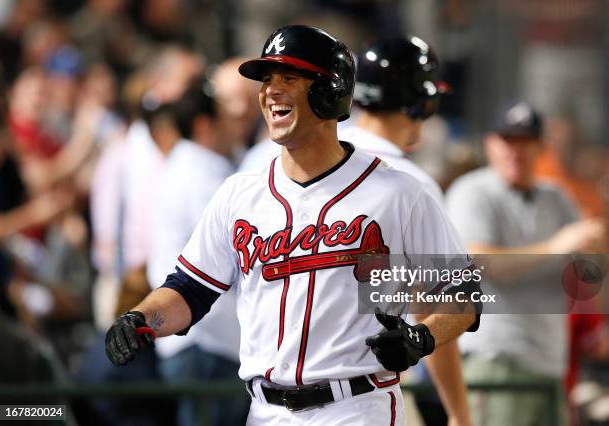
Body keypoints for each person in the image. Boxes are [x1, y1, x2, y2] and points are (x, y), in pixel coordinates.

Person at [105, 25, 478, 425]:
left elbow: (466, 295)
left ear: (329, 91)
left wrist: (422, 338)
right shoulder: (240, 193)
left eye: (289, 78)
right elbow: (189, 289)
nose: (270, 91)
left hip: (355, 407)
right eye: (266, 80)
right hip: (265, 412)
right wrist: (141, 319)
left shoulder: (399, 192)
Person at [446, 102, 605, 426]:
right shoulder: (474, 191)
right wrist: (557, 246)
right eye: (507, 141)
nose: (515, 152)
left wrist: (595, 245)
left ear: (541, 148)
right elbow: (477, 260)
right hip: (497, 358)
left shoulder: (556, 196)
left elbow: (586, 267)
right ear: (491, 144)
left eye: (525, 142)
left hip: (550, 362)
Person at [340, 36, 472, 426]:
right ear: (423, 102)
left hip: (273, 391)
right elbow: (436, 305)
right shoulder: (407, 183)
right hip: (367, 393)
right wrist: (458, 412)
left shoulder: (290, 159)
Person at [145, 76, 245, 426]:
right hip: (205, 340)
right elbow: (232, 257)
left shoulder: (192, 166)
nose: (237, 122)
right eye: (226, 116)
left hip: (199, 339)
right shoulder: (199, 172)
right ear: (204, 124)